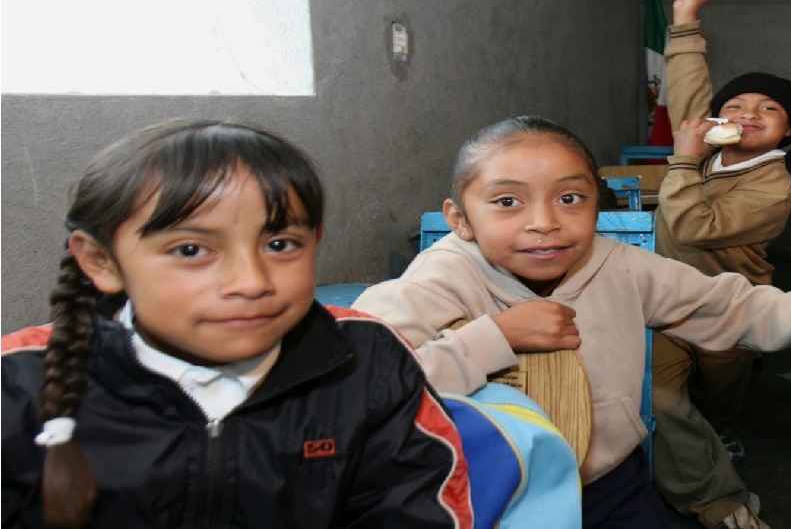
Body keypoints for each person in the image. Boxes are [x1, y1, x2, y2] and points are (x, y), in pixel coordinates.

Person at [351, 115, 791, 529]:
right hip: (486, 499)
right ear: (461, 218)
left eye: (570, 198)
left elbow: (734, 305)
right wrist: (493, 339)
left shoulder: (621, 267)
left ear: (600, 204)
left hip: (609, 484)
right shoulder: (440, 278)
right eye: (507, 202)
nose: (544, 223)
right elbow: (365, 389)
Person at [1, 120, 472, 529]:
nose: (250, 282)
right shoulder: (18, 382)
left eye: (281, 244)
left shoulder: (365, 360)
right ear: (102, 261)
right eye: (191, 251)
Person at [653, 0, 791, 529]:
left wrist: (683, 158)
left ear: (788, 130)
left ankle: (724, 418)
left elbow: (693, 226)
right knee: (665, 400)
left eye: (768, 110)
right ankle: (716, 496)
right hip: (665, 301)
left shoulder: (773, 186)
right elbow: (690, 90)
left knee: (721, 399)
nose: (747, 115)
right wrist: (686, 21)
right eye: (737, 106)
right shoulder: (708, 149)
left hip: (726, 304)